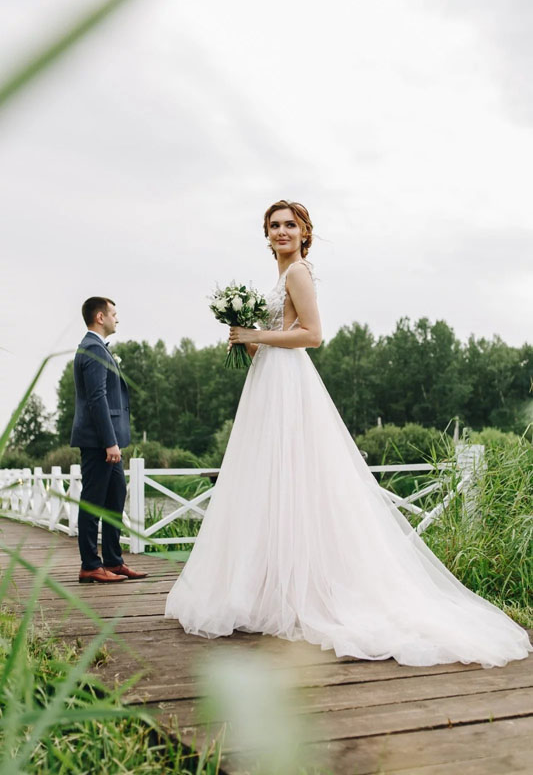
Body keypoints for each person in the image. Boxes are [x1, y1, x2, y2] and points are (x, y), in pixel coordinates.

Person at [165, 201, 531, 667]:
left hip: (291, 383)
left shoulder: (298, 272)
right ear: (266, 234)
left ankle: (308, 593)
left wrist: (257, 335)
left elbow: (313, 335)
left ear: (303, 233)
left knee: (298, 476)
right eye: (274, 226)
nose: (281, 231)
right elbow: (281, 335)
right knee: (270, 481)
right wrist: (249, 340)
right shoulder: (278, 279)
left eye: (289, 225)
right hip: (269, 383)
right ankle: (268, 590)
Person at [71, 297, 147, 584]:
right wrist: (109, 442)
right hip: (98, 441)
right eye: (114, 314)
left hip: (108, 439)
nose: (118, 319)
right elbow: (97, 398)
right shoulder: (92, 348)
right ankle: (90, 565)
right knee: (93, 502)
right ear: (100, 317)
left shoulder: (98, 348)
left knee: (115, 496)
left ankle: (114, 561)